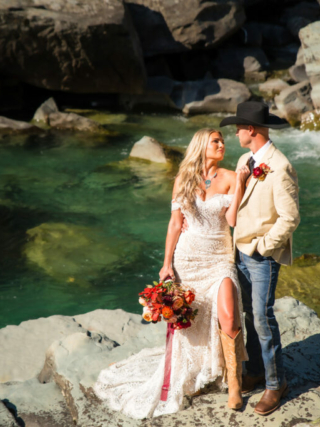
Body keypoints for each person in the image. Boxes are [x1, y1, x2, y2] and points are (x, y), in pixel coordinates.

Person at [93, 128, 251, 419]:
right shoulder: (183, 179)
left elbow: (232, 220)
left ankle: (234, 384)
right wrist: (167, 263)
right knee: (191, 320)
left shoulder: (230, 177)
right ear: (202, 145)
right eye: (215, 140)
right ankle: (201, 368)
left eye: (222, 141)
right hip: (187, 259)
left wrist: (240, 183)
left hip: (219, 259)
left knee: (228, 315)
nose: (221, 144)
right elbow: (175, 224)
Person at [219, 101, 300, 416]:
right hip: (238, 252)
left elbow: (290, 218)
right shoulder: (245, 159)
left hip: (261, 256)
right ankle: (254, 370)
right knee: (248, 316)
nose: (236, 133)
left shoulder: (280, 167)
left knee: (263, 318)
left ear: (250, 130)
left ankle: (275, 384)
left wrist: (264, 247)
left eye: (238, 127)